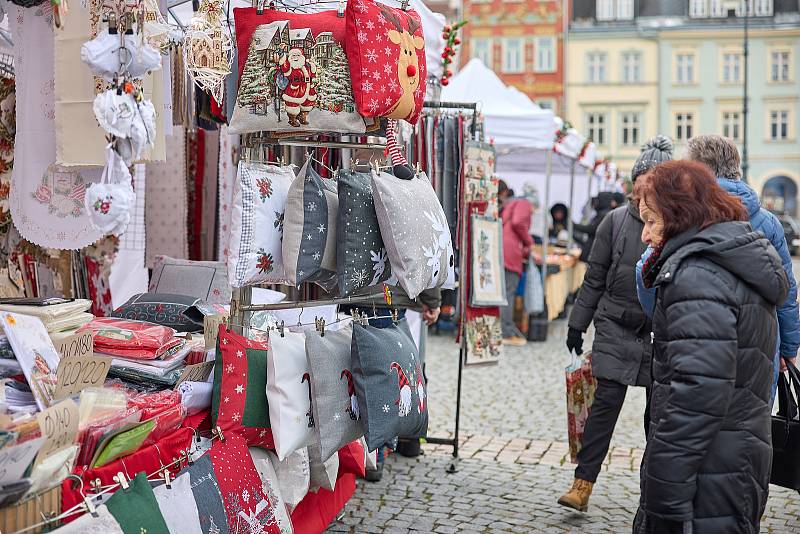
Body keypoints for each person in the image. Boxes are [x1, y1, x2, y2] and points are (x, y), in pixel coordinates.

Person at [631, 160, 788, 533]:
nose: (645, 235)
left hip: (706, 472)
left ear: (680, 215)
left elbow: (696, 394)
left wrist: (664, 486)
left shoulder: (698, 274)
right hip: (732, 460)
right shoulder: (729, 257)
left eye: (652, 221)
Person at [558, 136, 673, 512]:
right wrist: (578, 323)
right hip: (615, 326)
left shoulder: (677, 224)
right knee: (604, 408)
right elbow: (594, 277)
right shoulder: (614, 221)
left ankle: (652, 492)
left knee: (658, 417)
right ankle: (582, 484)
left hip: (659, 334)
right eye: (642, 181)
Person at [636, 134, 800, 396]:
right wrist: (789, 348)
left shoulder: (687, 214)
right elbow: (786, 290)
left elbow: (648, 285)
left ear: (699, 172)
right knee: (749, 422)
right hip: (761, 348)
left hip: (694, 345)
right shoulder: (769, 222)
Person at [353, 286, 441, 482]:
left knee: (352, 377)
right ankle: (375, 456)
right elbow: (421, 256)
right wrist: (432, 299)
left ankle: (355, 455)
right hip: (386, 297)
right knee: (385, 381)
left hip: (344, 295)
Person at [499, 180, 533, 346]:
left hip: (504, 249)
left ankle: (504, 328)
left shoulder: (511, 205)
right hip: (511, 252)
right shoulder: (525, 203)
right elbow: (518, 223)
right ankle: (505, 330)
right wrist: (529, 243)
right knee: (508, 292)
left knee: (504, 292)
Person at [572, 192, 615, 263]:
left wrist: (574, 225)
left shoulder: (604, 215)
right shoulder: (605, 214)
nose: (595, 203)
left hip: (595, 252)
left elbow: (591, 229)